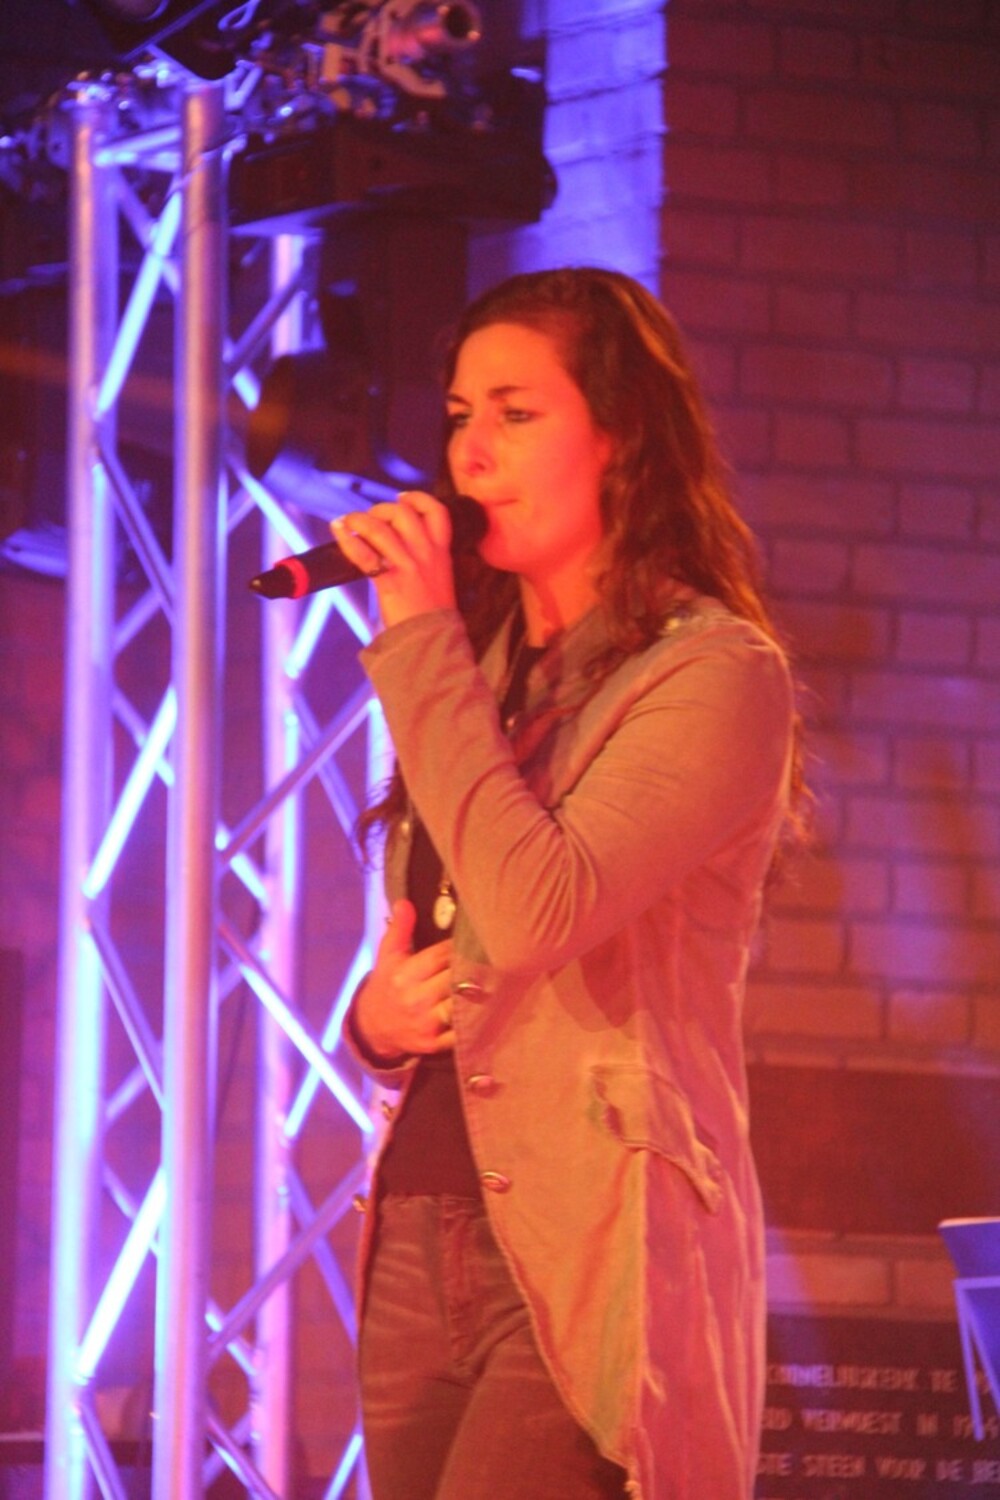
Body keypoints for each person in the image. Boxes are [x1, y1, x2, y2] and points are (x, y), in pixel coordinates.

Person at [331, 266, 799, 1500]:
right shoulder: (480, 677)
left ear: (620, 435)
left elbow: (541, 910)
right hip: (421, 1221)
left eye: (514, 413)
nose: (469, 454)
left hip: (593, 1226)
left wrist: (419, 636)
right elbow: (450, 930)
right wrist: (374, 1024)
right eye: (457, 415)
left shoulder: (711, 675)